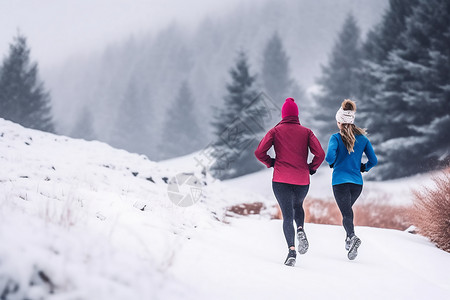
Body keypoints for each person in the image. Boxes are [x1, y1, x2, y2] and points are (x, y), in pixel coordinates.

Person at [255, 97, 325, 266]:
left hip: (280, 179)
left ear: (283, 114)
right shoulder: (307, 132)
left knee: (287, 215)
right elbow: (320, 154)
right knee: (298, 206)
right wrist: (312, 168)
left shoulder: (275, 131)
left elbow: (259, 152)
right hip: (302, 180)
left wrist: (271, 162)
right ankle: (300, 228)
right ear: (297, 115)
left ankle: (292, 251)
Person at [325, 99, 377, 260]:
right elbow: (373, 160)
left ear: (339, 121)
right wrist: (364, 168)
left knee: (346, 213)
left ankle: (352, 237)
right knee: (347, 212)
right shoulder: (363, 139)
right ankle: (348, 239)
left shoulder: (335, 137)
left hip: (340, 182)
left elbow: (329, 157)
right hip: (357, 183)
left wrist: (334, 162)